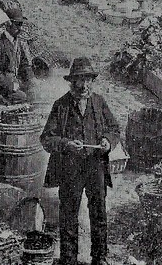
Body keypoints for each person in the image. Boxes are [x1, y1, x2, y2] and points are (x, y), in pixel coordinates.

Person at [40, 57, 121, 265]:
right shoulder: (61, 106)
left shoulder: (99, 102)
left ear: (92, 81)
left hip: (96, 166)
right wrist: (66, 144)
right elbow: (46, 139)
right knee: (68, 216)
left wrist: (107, 141)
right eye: (79, 80)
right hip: (70, 169)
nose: (84, 85)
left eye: (87, 80)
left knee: (99, 214)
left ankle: (100, 257)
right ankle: (69, 259)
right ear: (72, 82)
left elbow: (114, 129)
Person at [0, 0, 33, 104]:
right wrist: (11, 86)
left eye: (21, 24)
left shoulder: (18, 43)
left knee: (35, 93)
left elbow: (24, 64)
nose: (20, 28)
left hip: (16, 83)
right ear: (7, 24)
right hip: (0, 89)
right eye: (17, 24)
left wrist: (31, 80)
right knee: (24, 97)